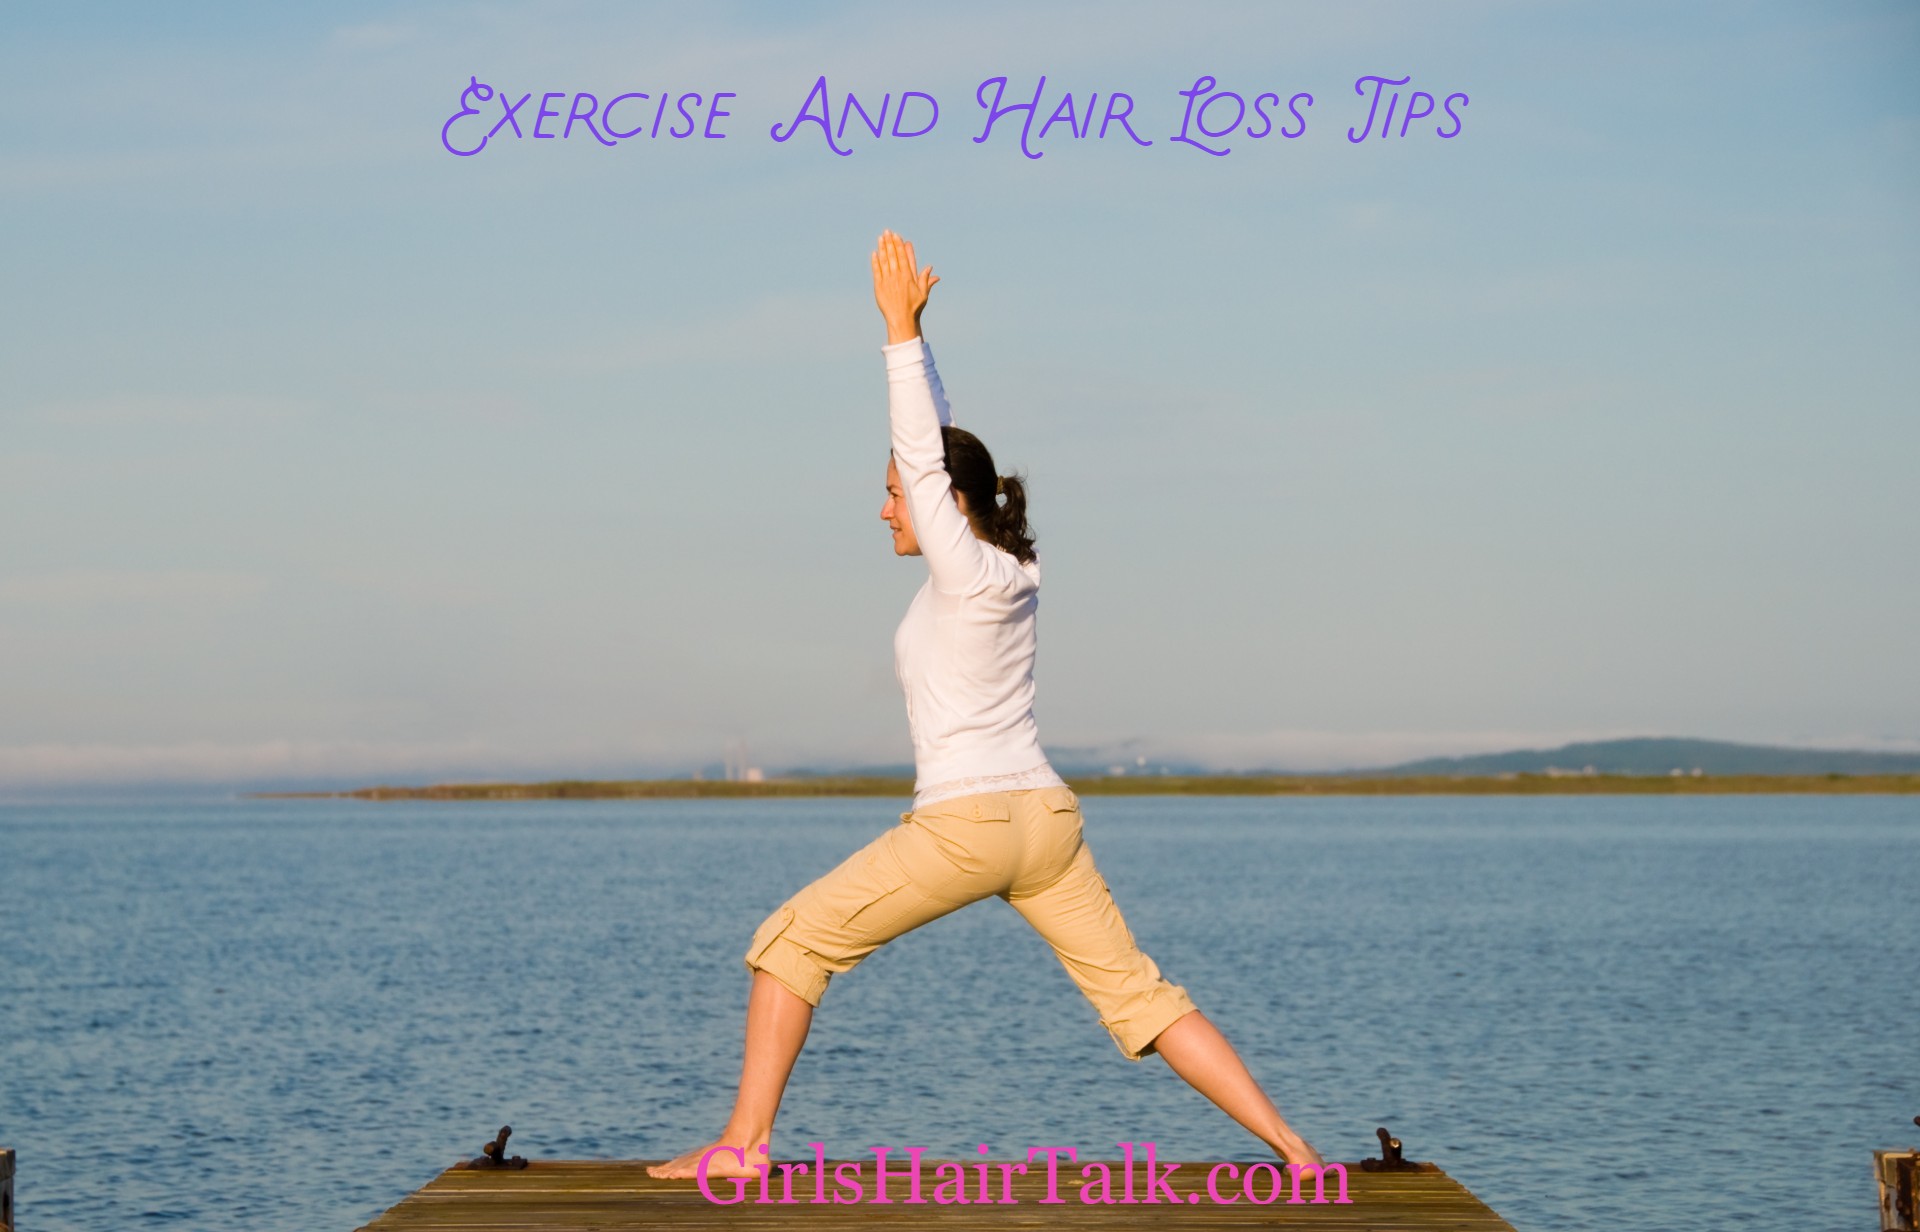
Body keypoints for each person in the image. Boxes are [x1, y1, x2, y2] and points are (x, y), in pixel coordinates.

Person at [648, 230, 1323, 1180]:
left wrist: (890, 332)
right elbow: (939, 443)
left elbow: (927, 460)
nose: (887, 510)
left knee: (788, 943)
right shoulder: (1009, 567)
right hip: (1045, 824)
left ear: (945, 504)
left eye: (895, 496)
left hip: (967, 823)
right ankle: (1296, 1152)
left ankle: (743, 1150)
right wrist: (918, 338)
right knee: (1138, 994)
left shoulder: (964, 568)